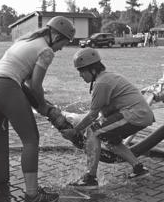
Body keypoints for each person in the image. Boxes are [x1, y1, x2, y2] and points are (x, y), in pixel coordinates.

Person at [0, 16, 75, 202]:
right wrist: (42, 106)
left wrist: (45, 106)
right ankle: (32, 195)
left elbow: (29, 84)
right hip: (6, 87)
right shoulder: (46, 50)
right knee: (31, 140)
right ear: (55, 36)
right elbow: (37, 86)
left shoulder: (25, 41)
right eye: (63, 43)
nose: (61, 48)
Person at [61, 48, 155, 188]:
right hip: (140, 114)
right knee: (110, 140)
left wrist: (75, 131)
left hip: (134, 114)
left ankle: (90, 178)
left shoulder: (101, 83)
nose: (80, 75)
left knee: (93, 131)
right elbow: (102, 114)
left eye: (81, 71)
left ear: (92, 69)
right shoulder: (105, 78)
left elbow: (92, 115)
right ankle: (138, 169)